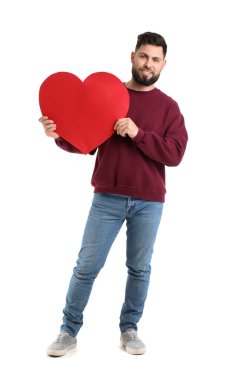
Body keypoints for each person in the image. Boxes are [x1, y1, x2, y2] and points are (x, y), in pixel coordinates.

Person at [39, 31, 188, 357]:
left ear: (164, 64)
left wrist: (138, 133)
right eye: (144, 56)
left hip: (149, 201)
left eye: (155, 59)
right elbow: (85, 141)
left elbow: (175, 154)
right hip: (107, 196)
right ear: (132, 56)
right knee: (86, 267)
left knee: (139, 268)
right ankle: (68, 331)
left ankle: (129, 329)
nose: (148, 64)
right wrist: (57, 135)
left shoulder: (168, 108)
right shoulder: (109, 94)